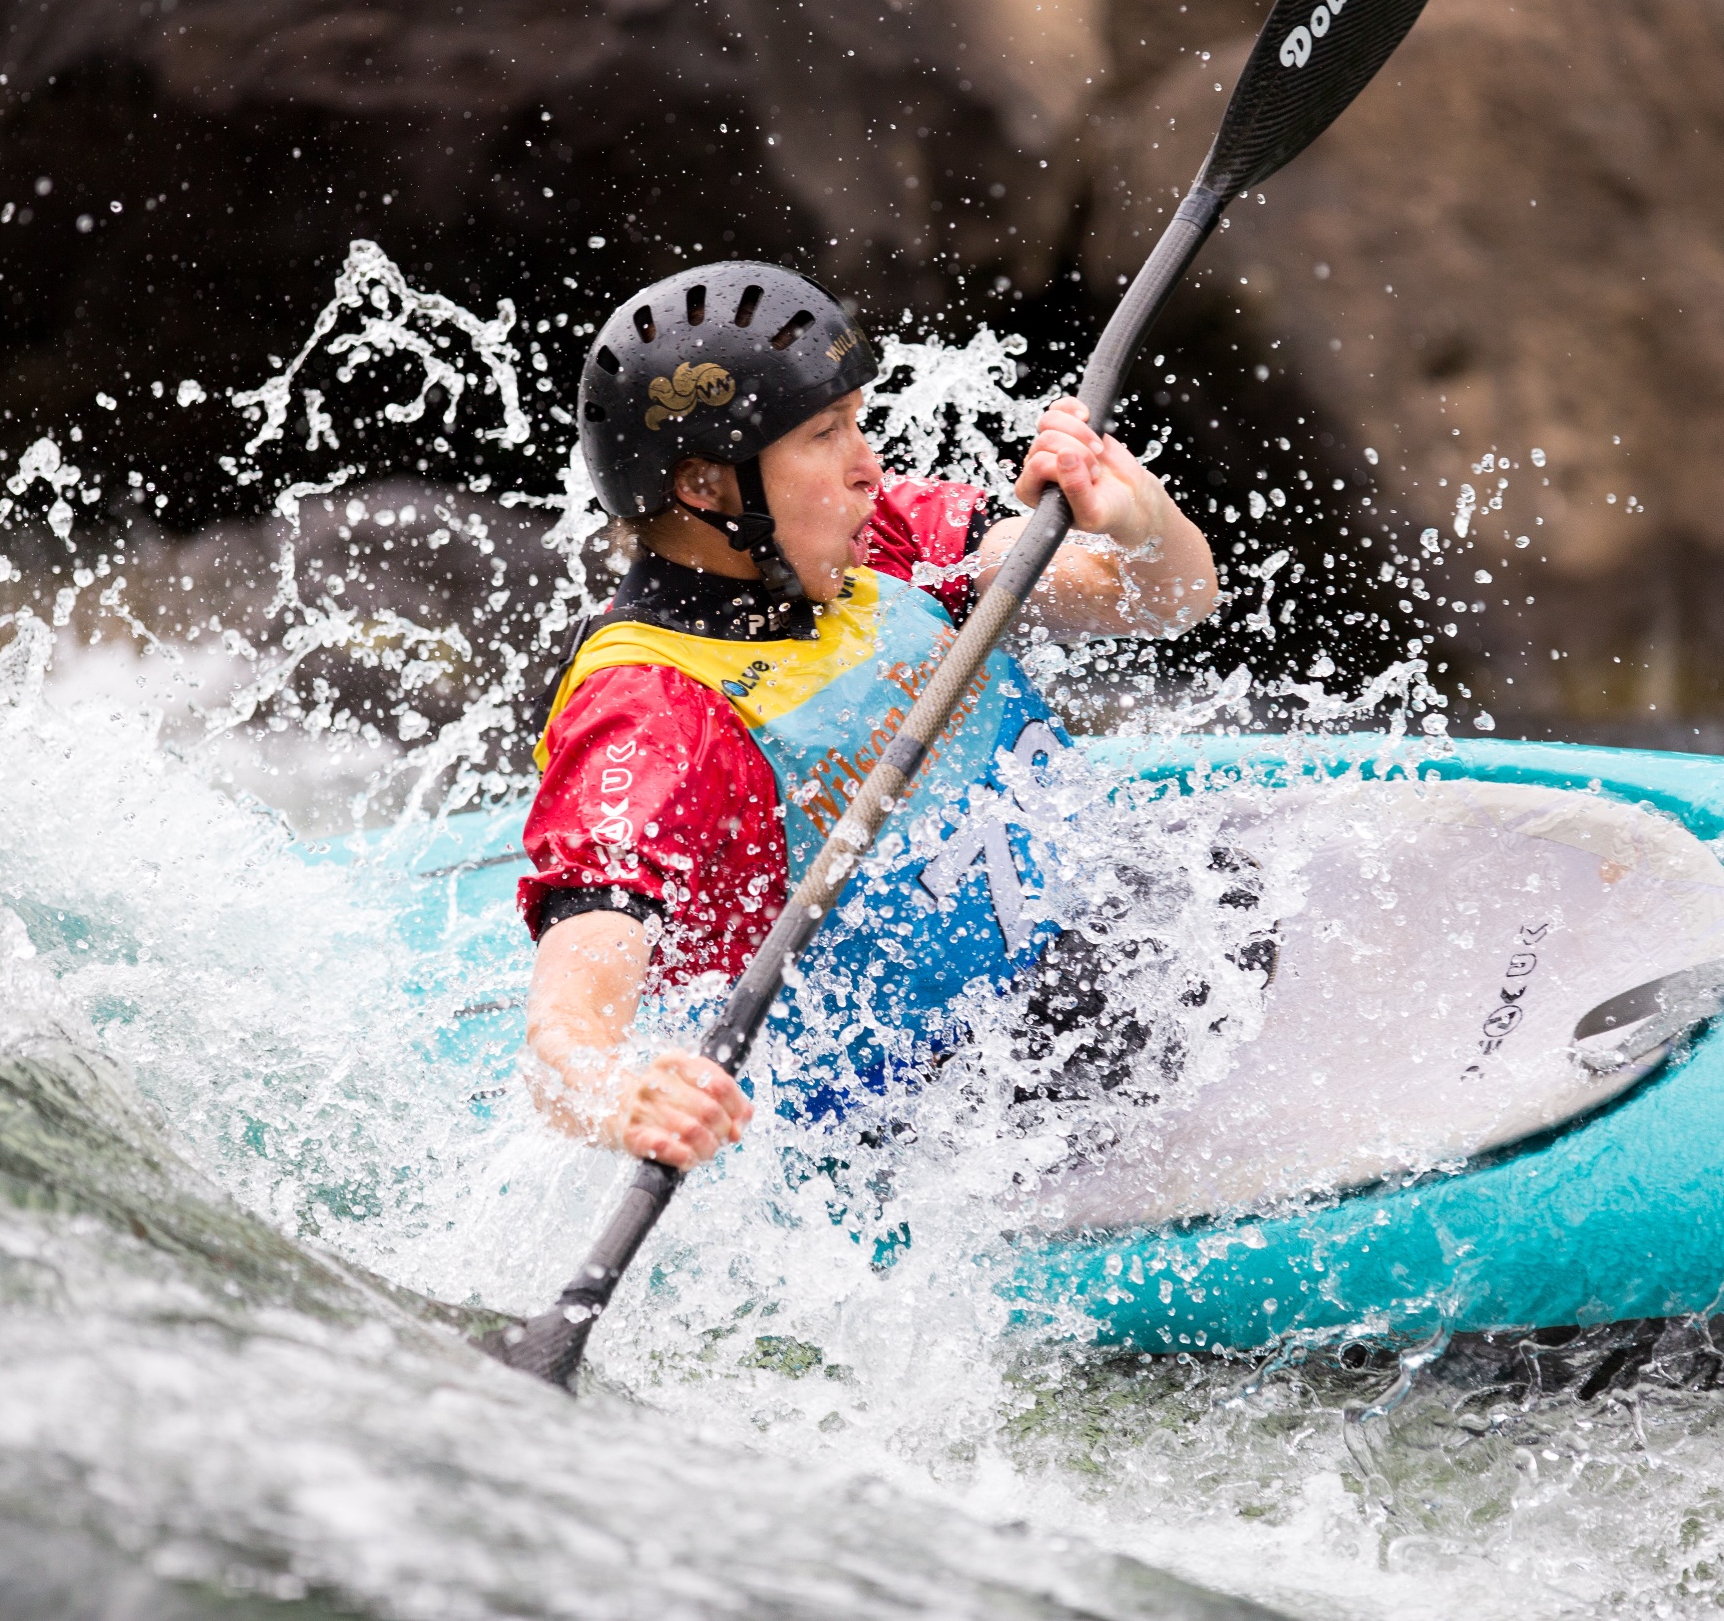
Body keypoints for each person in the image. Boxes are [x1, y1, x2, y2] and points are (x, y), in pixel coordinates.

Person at [519, 261, 1219, 1170]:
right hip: (934, 1123)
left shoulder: (878, 541)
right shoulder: (654, 716)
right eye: (824, 435)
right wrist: (623, 1096)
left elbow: (1166, 600)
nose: (867, 465)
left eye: (856, 422)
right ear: (706, 487)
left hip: (1110, 946)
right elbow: (567, 1022)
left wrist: (1135, 517)